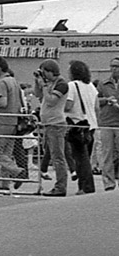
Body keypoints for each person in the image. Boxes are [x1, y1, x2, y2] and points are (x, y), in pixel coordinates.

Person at [0, 58, 23, 189]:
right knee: (6, 152)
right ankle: (4, 182)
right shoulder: (14, 81)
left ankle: (17, 171)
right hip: (14, 121)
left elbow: (3, 102)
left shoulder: (2, 83)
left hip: (2, 120)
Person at [34, 59, 70, 196]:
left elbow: (51, 101)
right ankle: (59, 185)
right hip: (48, 124)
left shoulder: (61, 84)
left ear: (50, 72)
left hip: (56, 124)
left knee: (58, 157)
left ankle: (61, 187)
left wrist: (43, 86)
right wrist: (38, 83)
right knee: (53, 156)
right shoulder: (49, 83)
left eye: (44, 72)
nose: (43, 75)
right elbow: (38, 95)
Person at [65, 60, 98, 194]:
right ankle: (83, 186)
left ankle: (86, 186)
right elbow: (96, 107)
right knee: (86, 156)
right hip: (91, 124)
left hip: (77, 123)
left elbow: (68, 105)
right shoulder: (91, 86)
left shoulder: (72, 86)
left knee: (80, 157)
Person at [96, 57, 119, 191]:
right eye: (112, 66)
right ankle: (108, 183)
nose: (114, 69)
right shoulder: (103, 83)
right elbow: (95, 100)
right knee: (107, 153)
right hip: (106, 122)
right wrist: (106, 100)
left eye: (117, 66)